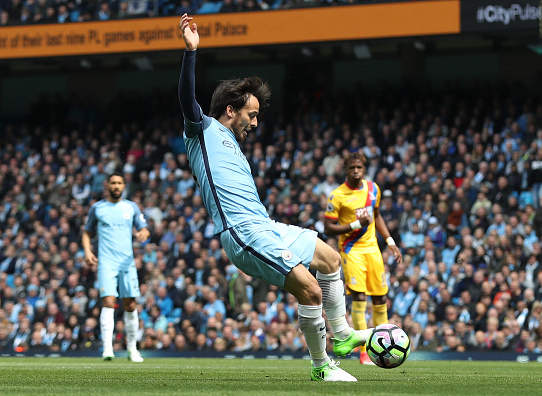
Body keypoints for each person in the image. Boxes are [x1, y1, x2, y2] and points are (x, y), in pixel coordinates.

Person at [178, 13, 369, 382]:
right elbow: (187, 99)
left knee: (329, 259)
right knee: (310, 290)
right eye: (251, 114)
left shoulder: (233, 145)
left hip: (264, 225)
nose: (255, 122)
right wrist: (191, 52)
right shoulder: (202, 131)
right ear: (230, 110)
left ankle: (342, 336)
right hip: (241, 233)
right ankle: (321, 367)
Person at [324, 153, 402, 364]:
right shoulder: (337, 195)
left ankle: (384, 347)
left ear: (364, 169)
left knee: (380, 298)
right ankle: (365, 351)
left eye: (359, 167)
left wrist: (390, 241)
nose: (356, 171)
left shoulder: (373, 188)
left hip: (373, 250)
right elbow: (328, 228)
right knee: (359, 298)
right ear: (346, 170)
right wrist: (355, 225)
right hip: (351, 250)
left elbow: (376, 216)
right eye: (352, 168)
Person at [82, 172, 150, 362]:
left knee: (130, 304)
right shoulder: (98, 208)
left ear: (123, 186)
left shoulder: (131, 207)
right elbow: (87, 232)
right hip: (106, 262)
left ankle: (132, 349)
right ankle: (107, 349)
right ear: (108, 186)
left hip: (127, 262)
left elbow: (143, 227)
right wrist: (87, 252)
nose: (116, 186)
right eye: (113, 183)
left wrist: (144, 232)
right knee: (109, 302)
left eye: (119, 183)